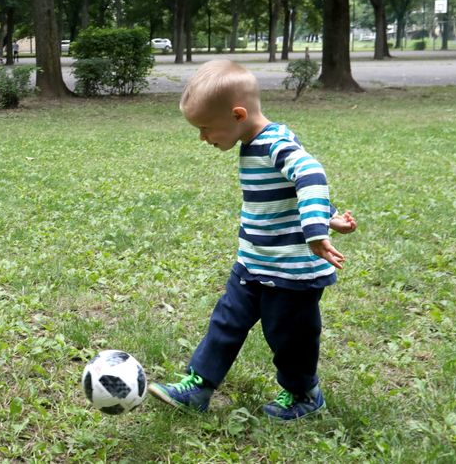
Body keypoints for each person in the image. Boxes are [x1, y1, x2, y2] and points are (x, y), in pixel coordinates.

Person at [148, 59, 357, 421]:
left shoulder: (274, 142)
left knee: (290, 339)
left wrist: (317, 230)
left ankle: (304, 393)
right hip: (253, 263)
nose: (203, 138)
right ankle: (199, 386)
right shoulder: (252, 141)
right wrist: (329, 215)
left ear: (238, 114)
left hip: (291, 273)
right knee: (225, 323)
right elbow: (291, 190)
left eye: (205, 128)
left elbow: (310, 173)